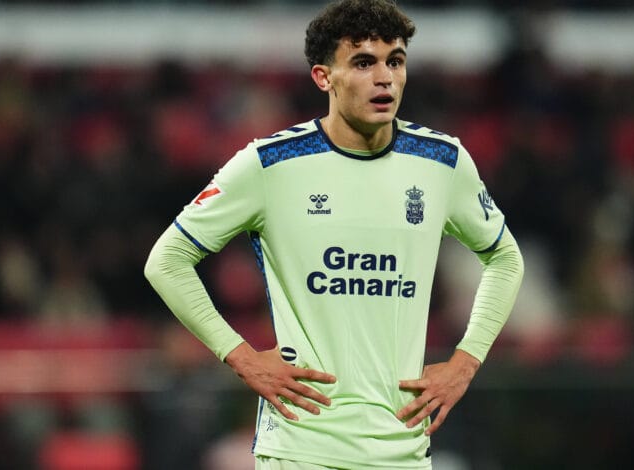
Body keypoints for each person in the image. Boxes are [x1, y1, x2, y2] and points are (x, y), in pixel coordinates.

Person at [144, 1, 524, 468]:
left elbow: (506, 258)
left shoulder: (442, 162)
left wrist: (466, 363)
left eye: (395, 61)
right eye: (363, 63)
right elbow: (167, 260)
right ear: (324, 77)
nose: (384, 78)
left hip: (402, 450)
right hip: (300, 449)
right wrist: (241, 356)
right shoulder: (269, 164)